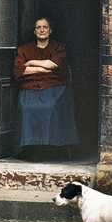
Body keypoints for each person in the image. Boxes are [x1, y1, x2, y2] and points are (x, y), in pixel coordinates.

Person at [13, 17, 79, 160]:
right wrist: (44, 67)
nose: (42, 30)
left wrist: (31, 63)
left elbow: (54, 65)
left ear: (50, 30)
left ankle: (49, 148)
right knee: (27, 107)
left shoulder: (58, 47)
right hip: (30, 87)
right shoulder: (24, 49)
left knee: (49, 106)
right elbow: (20, 71)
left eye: (45, 27)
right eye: (38, 27)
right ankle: (31, 148)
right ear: (34, 31)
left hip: (54, 87)